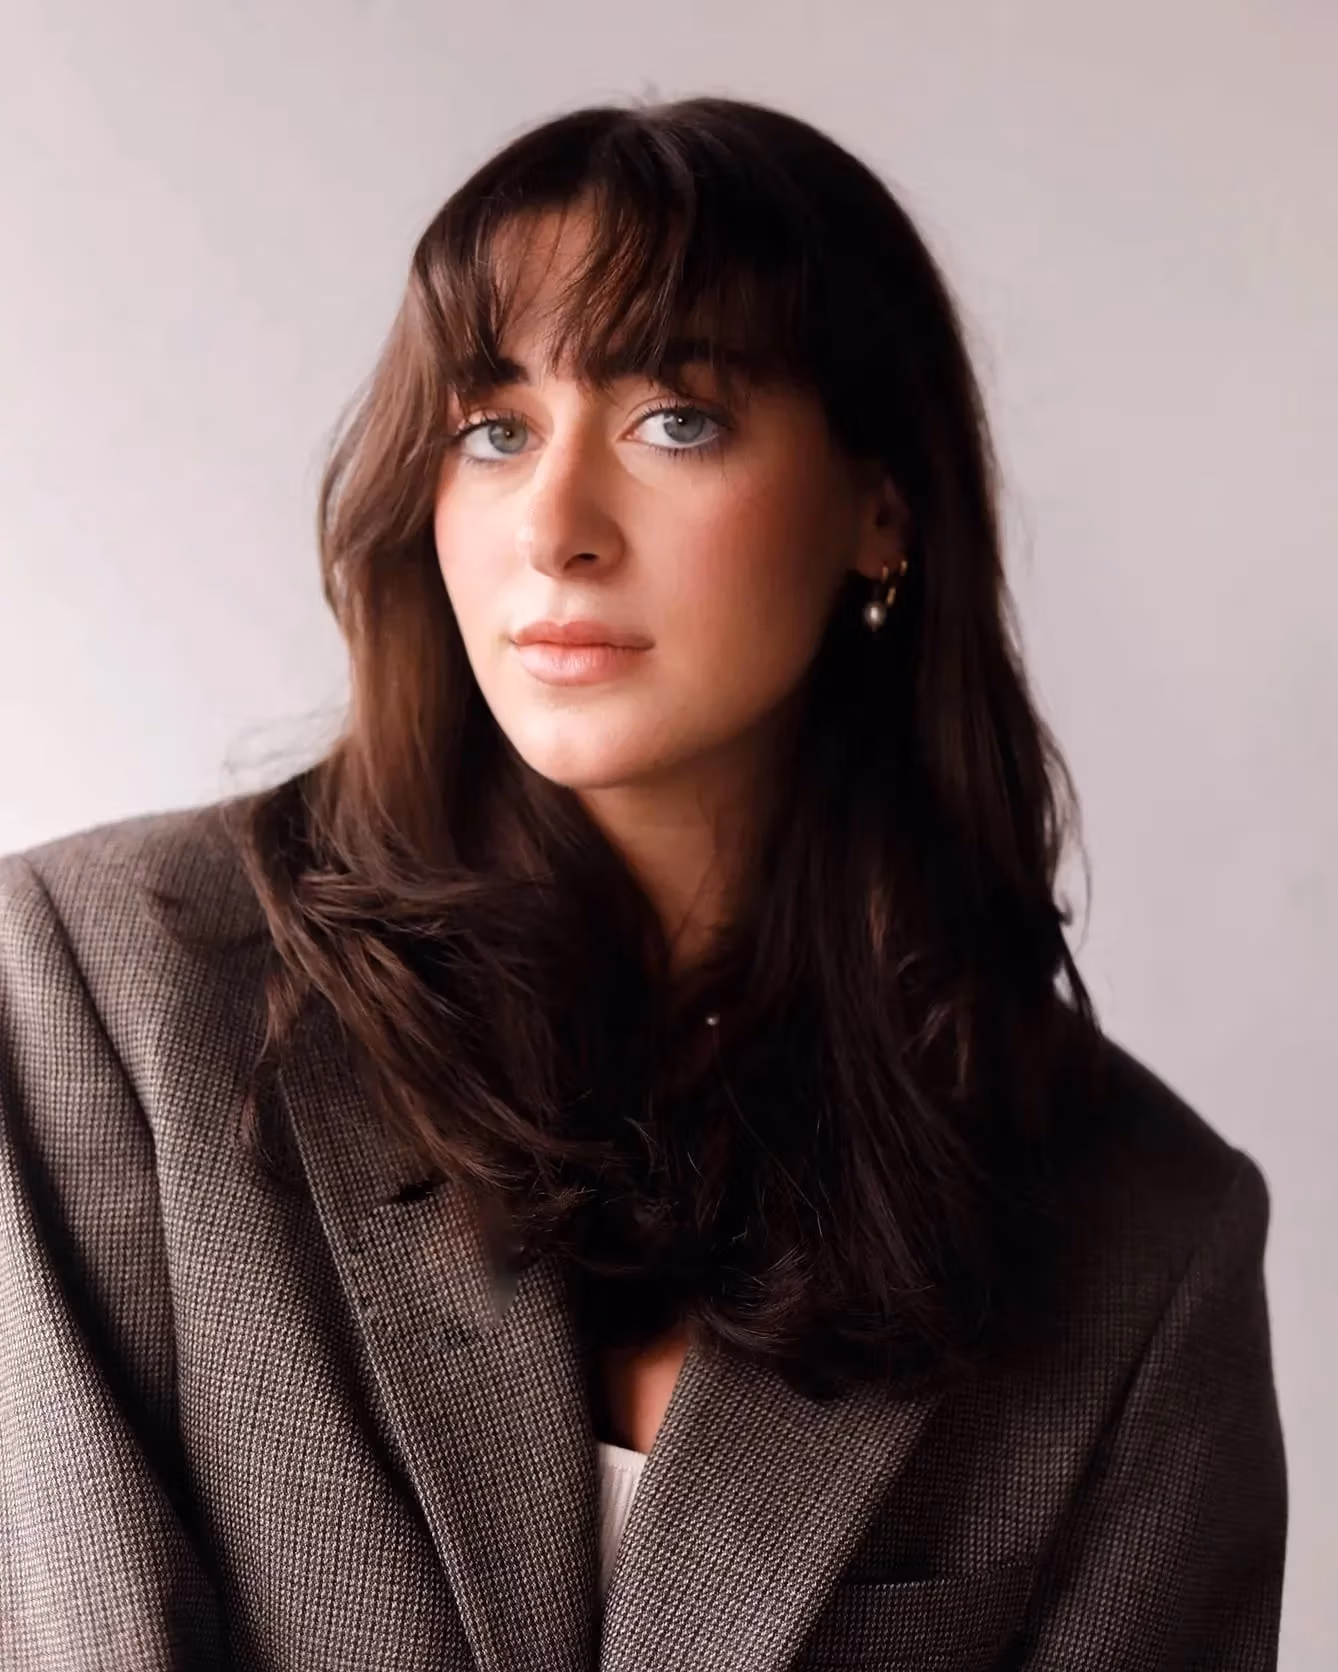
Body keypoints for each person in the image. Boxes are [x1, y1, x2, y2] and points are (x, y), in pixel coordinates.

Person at [0, 93, 1286, 1671]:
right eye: (493, 429)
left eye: (675, 420)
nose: (553, 529)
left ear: (879, 504)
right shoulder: (97, 996)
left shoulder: (1138, 1238)